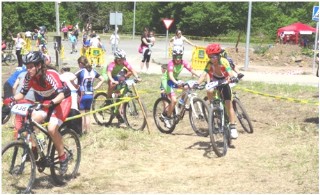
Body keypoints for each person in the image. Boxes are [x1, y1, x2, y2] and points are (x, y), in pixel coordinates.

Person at [3, 51, 72, 174]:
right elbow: (22, 94)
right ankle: (34, 150)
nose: (28, 69)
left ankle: (63, 157)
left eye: (30, 67)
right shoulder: (29, 77)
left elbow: (61, 94)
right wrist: (11, 99)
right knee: (31, 120)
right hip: (47, 101)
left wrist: (52, 103)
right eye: (27, 67)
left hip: (62, 100)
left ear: (39, 65)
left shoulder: (50, 75)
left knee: (51, 129)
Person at [196, 43, 239, 139]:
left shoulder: (224, 61)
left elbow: (229, 72)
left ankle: (232, 127)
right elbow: (203, 74)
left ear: (218, 55)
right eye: (209, 57)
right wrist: (197, 83)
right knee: (209, 90)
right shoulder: (209, 63)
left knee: (228, 104)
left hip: (224, 80)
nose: (211, 59)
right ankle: (213, 106)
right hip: (215, 80)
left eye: (213, 57)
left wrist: (233, 78)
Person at [160, 46, 200, 129]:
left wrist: (199, 75)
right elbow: (170, 76)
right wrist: (176, 82)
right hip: (166, 80)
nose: (178, 59)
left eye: (179, 57)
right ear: (173, 57)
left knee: (186, 87)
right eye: (176, 57)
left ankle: (181, 102)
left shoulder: (183, 62)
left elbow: (191, 69)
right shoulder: (171, 63)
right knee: (173, 100)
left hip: (174, 80)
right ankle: (166, 117)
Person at [102, 48, 142, 127]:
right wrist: (112, 80)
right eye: (120, 60)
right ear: (116, 59)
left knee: (120, 90)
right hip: (107, 74)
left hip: (115, 75)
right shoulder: (112, 64)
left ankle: (117, 110)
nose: (122, 61)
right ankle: (108, 99)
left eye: (123, 59)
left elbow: (132, 69)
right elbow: (109, 73)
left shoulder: (124, 62)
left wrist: (137, 77)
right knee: (112, 84)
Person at [74, 57, 104, 134]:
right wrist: (96, 87)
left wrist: (75, 86)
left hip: (82, 94)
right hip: (90, 94)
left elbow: (71, 78)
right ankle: (88, 131)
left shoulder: (81, 71)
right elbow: (102, 79)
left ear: (80, 64)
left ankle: (82, 131)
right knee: (87, 114)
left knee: (81, 114)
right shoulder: (93, 71)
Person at [11, 70, 36, 138]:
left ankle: (16, 137)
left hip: (19, 97)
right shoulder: (35, 75)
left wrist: (15, 96)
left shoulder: (21, 74)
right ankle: (27, 137)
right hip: (30, 98)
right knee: (27, 119)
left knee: (18, 119)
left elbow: (14, 86)